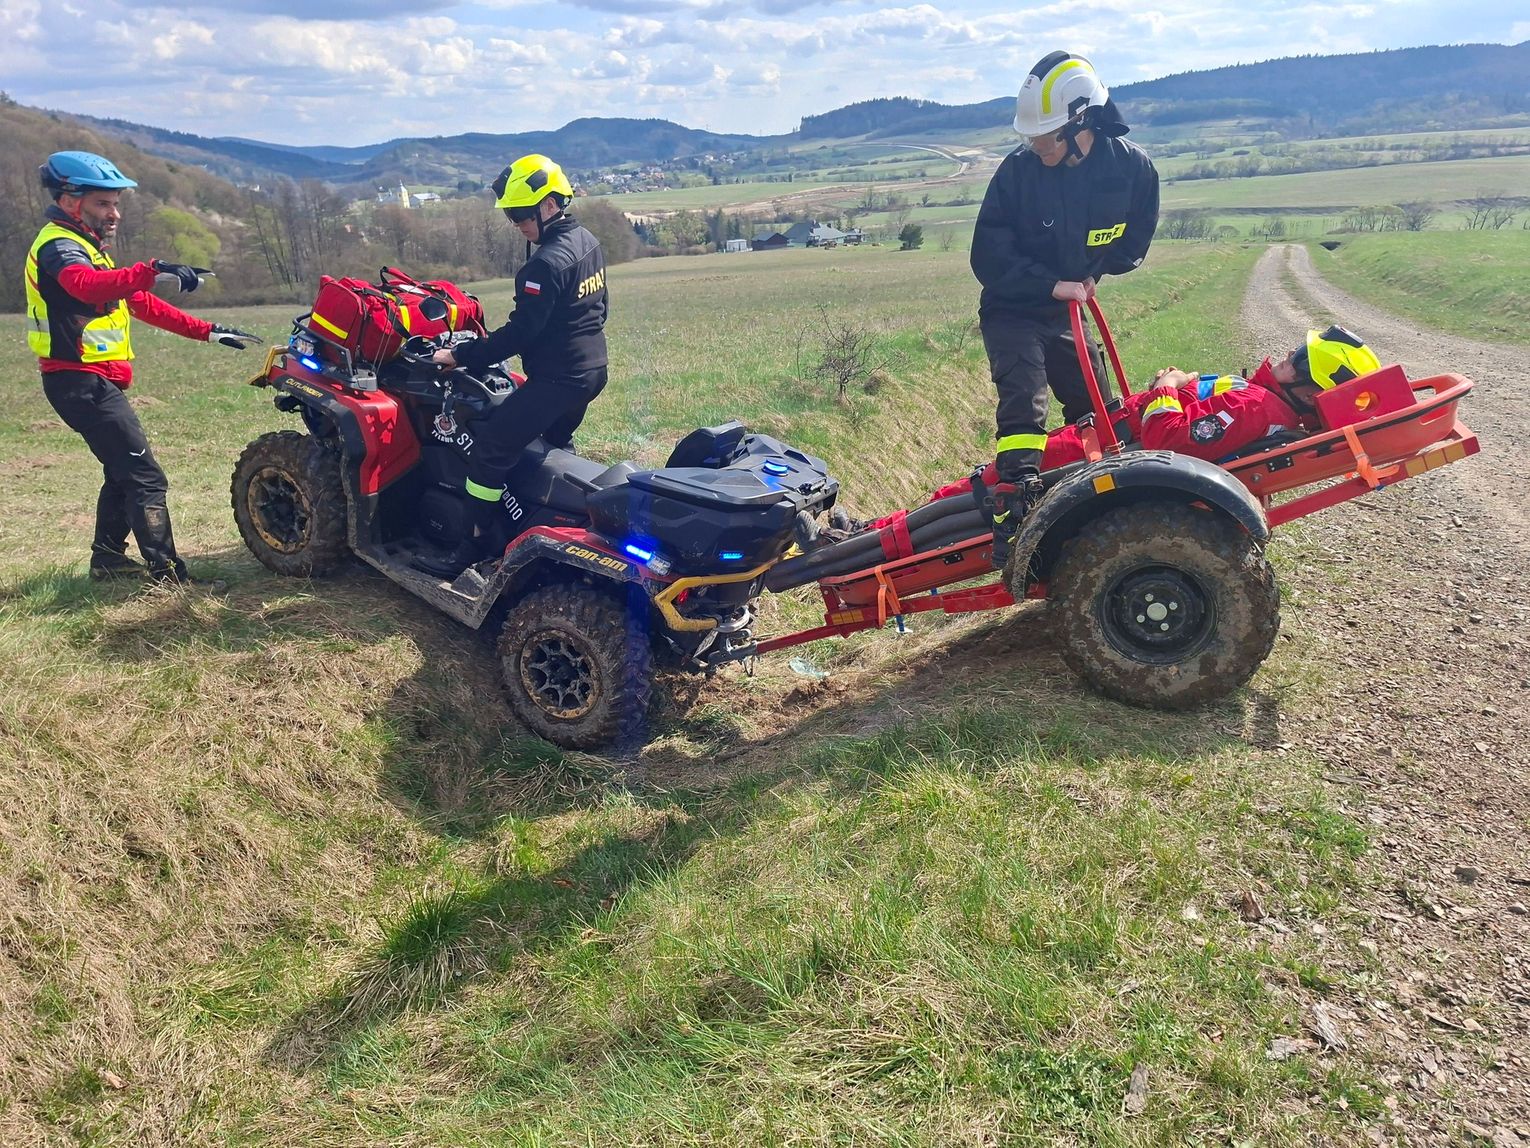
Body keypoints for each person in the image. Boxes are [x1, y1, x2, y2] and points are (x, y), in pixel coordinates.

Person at [849, 326, 1381, 533]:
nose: (1287, 356)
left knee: (981, 489)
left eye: (1299, 359)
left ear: (1311, 390)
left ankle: (866, 538)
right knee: (975, 491)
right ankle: (871, 531)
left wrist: (1167, 387)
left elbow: (1168, 440)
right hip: (1103, 442)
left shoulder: (1259, 409)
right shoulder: (1265, 403)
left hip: (1100, 451)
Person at [25, 150, 262, 585]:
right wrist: (148, 270)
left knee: (122, 472)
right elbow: (84, 285)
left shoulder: (87, 248)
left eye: (116, 204)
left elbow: (140, 303)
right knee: (145, 477)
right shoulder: (59, 247)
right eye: (103, 203)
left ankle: (108, 561)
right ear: (69, 201)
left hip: (89, 379)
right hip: (79, 381)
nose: (114, 214)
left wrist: (209, 331)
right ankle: (169, 577)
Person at [970, 51, 1160, 569]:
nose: (1035, 146)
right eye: (1031, 136)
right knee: (1024, 402)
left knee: (1096, 404)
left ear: (1084, 125)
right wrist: (1051, 285)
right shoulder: (1018, 174)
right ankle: (1016, 509)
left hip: (1069, 312)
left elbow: (1133, 240)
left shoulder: (1132, 171)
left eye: (1046, 136)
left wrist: (1096, 275)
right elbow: (988, 257)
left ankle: (1112, 494)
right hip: (1013, 309)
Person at [416, 153, 609, 579]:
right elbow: (600, 309)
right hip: (593, 370)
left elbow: (520, 334)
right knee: (551, 443)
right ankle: (543, 524)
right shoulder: (588, 242)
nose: (516, 223)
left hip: (558, 379)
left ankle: (472, 547)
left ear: (549, 205)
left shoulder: (543, 264)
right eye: (510, 215)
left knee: (490, 450)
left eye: (520, 214)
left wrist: (459, 355)